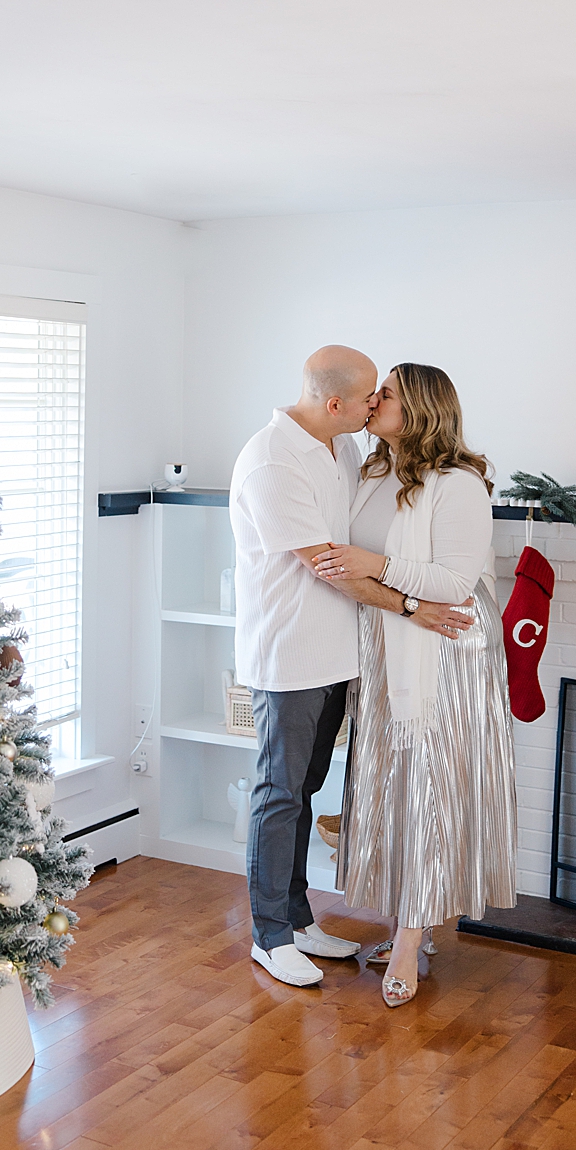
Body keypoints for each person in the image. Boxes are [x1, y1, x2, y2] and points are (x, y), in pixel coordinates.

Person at [229, 346, 473, 989]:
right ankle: (268, 934)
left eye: (382, 395)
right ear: (336, 403)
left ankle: (297, 917)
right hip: (290, 655)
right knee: (279, 792)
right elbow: (331, 567)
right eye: (370, 395)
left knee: (305, 790)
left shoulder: (340, 451)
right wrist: (414, 608)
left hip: (338, 653)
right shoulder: (272, 462)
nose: (374, 405)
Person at [313, 363, 518, 1007]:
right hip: (385, 643)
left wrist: (374, 567)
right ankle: (411, 920)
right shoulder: (372, 473)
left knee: (431, 788)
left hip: (446, 651)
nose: (375, 401)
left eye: (389, 392)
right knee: (393, 787)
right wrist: (388, 595)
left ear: (422, 406)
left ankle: (409, 937)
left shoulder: (459, 485)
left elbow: (454, 585)